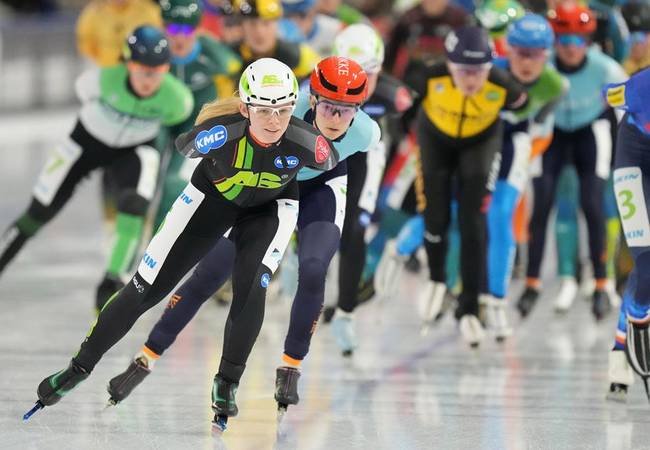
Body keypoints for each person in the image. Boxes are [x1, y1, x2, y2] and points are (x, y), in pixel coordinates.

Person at [26, 58, 339, 432]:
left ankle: (227, 382)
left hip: (269, 210)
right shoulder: (222, 134)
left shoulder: (308, 143)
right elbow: (183, 144)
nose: (274, 121)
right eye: (264, 111)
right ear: (245, 107)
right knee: (145, 287)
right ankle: (78, 367)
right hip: (210, 203)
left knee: (252, 285)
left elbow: (330, 159)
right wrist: (207, 134)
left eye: (284, 111)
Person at [100, 56, 376, 416]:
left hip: (321, 190)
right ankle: (146, 356)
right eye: (327, 107)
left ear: (359, 108)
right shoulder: (283, 105)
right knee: (208, 276)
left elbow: (367, 171)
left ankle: (291, 365)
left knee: (313, 269)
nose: (335, 119)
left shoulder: (368, 132)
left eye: (346, 110)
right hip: (267, 195)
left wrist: (361, 211)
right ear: (309, 100)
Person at [0, 26, 193, 311]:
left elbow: (178, 129)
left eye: (158, 69)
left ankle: (111, 280)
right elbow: (83, 95)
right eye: (142, 68)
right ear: (127, 63)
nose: (149, 79)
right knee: (39, 211)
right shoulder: (98, 81)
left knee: (135, 204)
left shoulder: (178, 100)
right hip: (86, 143)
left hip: (134, 149)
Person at [400, 25, 528, 347]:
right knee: (435, 213)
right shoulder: (428, 76)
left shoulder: (505, 87)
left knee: (473, 221)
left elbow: (528, 105)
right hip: (436, 139)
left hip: (481, 142)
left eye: (479, 72)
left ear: (490, 68)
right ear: (448, 65)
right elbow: (401, 104)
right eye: (463, 72)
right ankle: (437, 279)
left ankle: (470, 306)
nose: (471, 80)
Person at [517, 4, 627, 320]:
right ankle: (532, 283)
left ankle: (602, 284)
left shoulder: (606, 70)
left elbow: (625, 114)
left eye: (578, 42)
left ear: (589, 42)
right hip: (552, 133)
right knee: (542, 206)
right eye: (563, 41)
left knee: (592, 205)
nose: (570, 49)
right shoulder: (542, 66)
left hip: (590, 131)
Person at [321, 24, 416, 353]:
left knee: (354, 234)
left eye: (370, 74)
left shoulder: (395, 95)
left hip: (365, 163)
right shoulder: (313, 82)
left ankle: (346, 314)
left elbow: (413, 134)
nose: (358, 87)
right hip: (324, 160)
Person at [481, 13, 567, 340]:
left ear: (547, 54)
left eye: (536, 54)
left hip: (519, 141)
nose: (528, 62)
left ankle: (498, 300)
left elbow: (540, 127)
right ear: (508, 49)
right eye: (520, 52)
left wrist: (530, 157)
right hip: (481, 140)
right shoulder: (491, 69)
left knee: (502, 214)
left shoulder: (556, 84)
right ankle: (466, 290)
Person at [154, 0, 242, 231]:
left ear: (197, 29)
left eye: (187, 30)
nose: (180, 38)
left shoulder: (214, 54)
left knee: (172, 185)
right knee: (144, 183)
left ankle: (157, 244)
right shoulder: (154, 50)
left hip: (194, 126)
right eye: (173, 29)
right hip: (160, 123)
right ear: (163, 27)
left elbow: (236, 80)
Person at [603, 68, 650, 401]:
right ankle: (632, 329)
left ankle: (621, 343)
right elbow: (606, 94)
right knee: (647, 261)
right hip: (633, 154)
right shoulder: (639, 88)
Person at [236, 0, 320, 80]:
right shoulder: (230, 57)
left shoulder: (301, 55)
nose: (259, 31)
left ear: (277, 25)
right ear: (242, 26)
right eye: (252, 24)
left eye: (266, 23)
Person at [76, 0, 162, 67]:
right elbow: (86, 46)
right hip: (105, 70)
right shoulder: (93, 12)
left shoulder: (148, 10)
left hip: (139, 73)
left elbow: (156, 43)